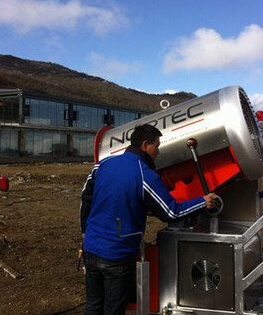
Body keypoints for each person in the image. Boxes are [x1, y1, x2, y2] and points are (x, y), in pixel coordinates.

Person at [80, 124, 217, 315]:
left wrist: (85, 231)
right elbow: (171, 212)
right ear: (145, 145)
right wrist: (203, 202)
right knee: (113, 310)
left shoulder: (103, 165)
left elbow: (85, 198)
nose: (158, 151)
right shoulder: (144, 174)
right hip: (118, 255)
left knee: (93, 305)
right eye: (157, 145)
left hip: (91, 250)